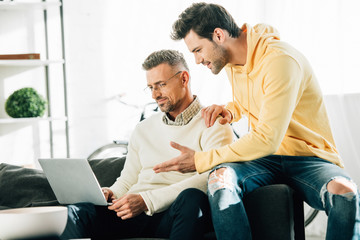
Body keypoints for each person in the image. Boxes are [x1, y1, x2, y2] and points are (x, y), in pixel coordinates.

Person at [152, 3, 360, 240]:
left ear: (218, 35)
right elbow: (255, 101)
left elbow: (267, 139)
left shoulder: (280, 61)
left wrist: (200, 159)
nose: (198, 60)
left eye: (198, 50)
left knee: (345, 193)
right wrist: (230, 110)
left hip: (307, 157)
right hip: (265, 160)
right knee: (220, 182)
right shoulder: (231, 61)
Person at [60, 49, 233, 240]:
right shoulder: (143, 129)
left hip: (173, 213)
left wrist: (146, 201)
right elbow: (128, 179)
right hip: (134, 215)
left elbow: (212, 178)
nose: (155, 95)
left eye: (161, 85)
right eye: (150, 87)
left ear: (184, 79)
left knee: (192, 198)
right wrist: (111, 193)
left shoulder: (214, 123)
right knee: (76, 212)